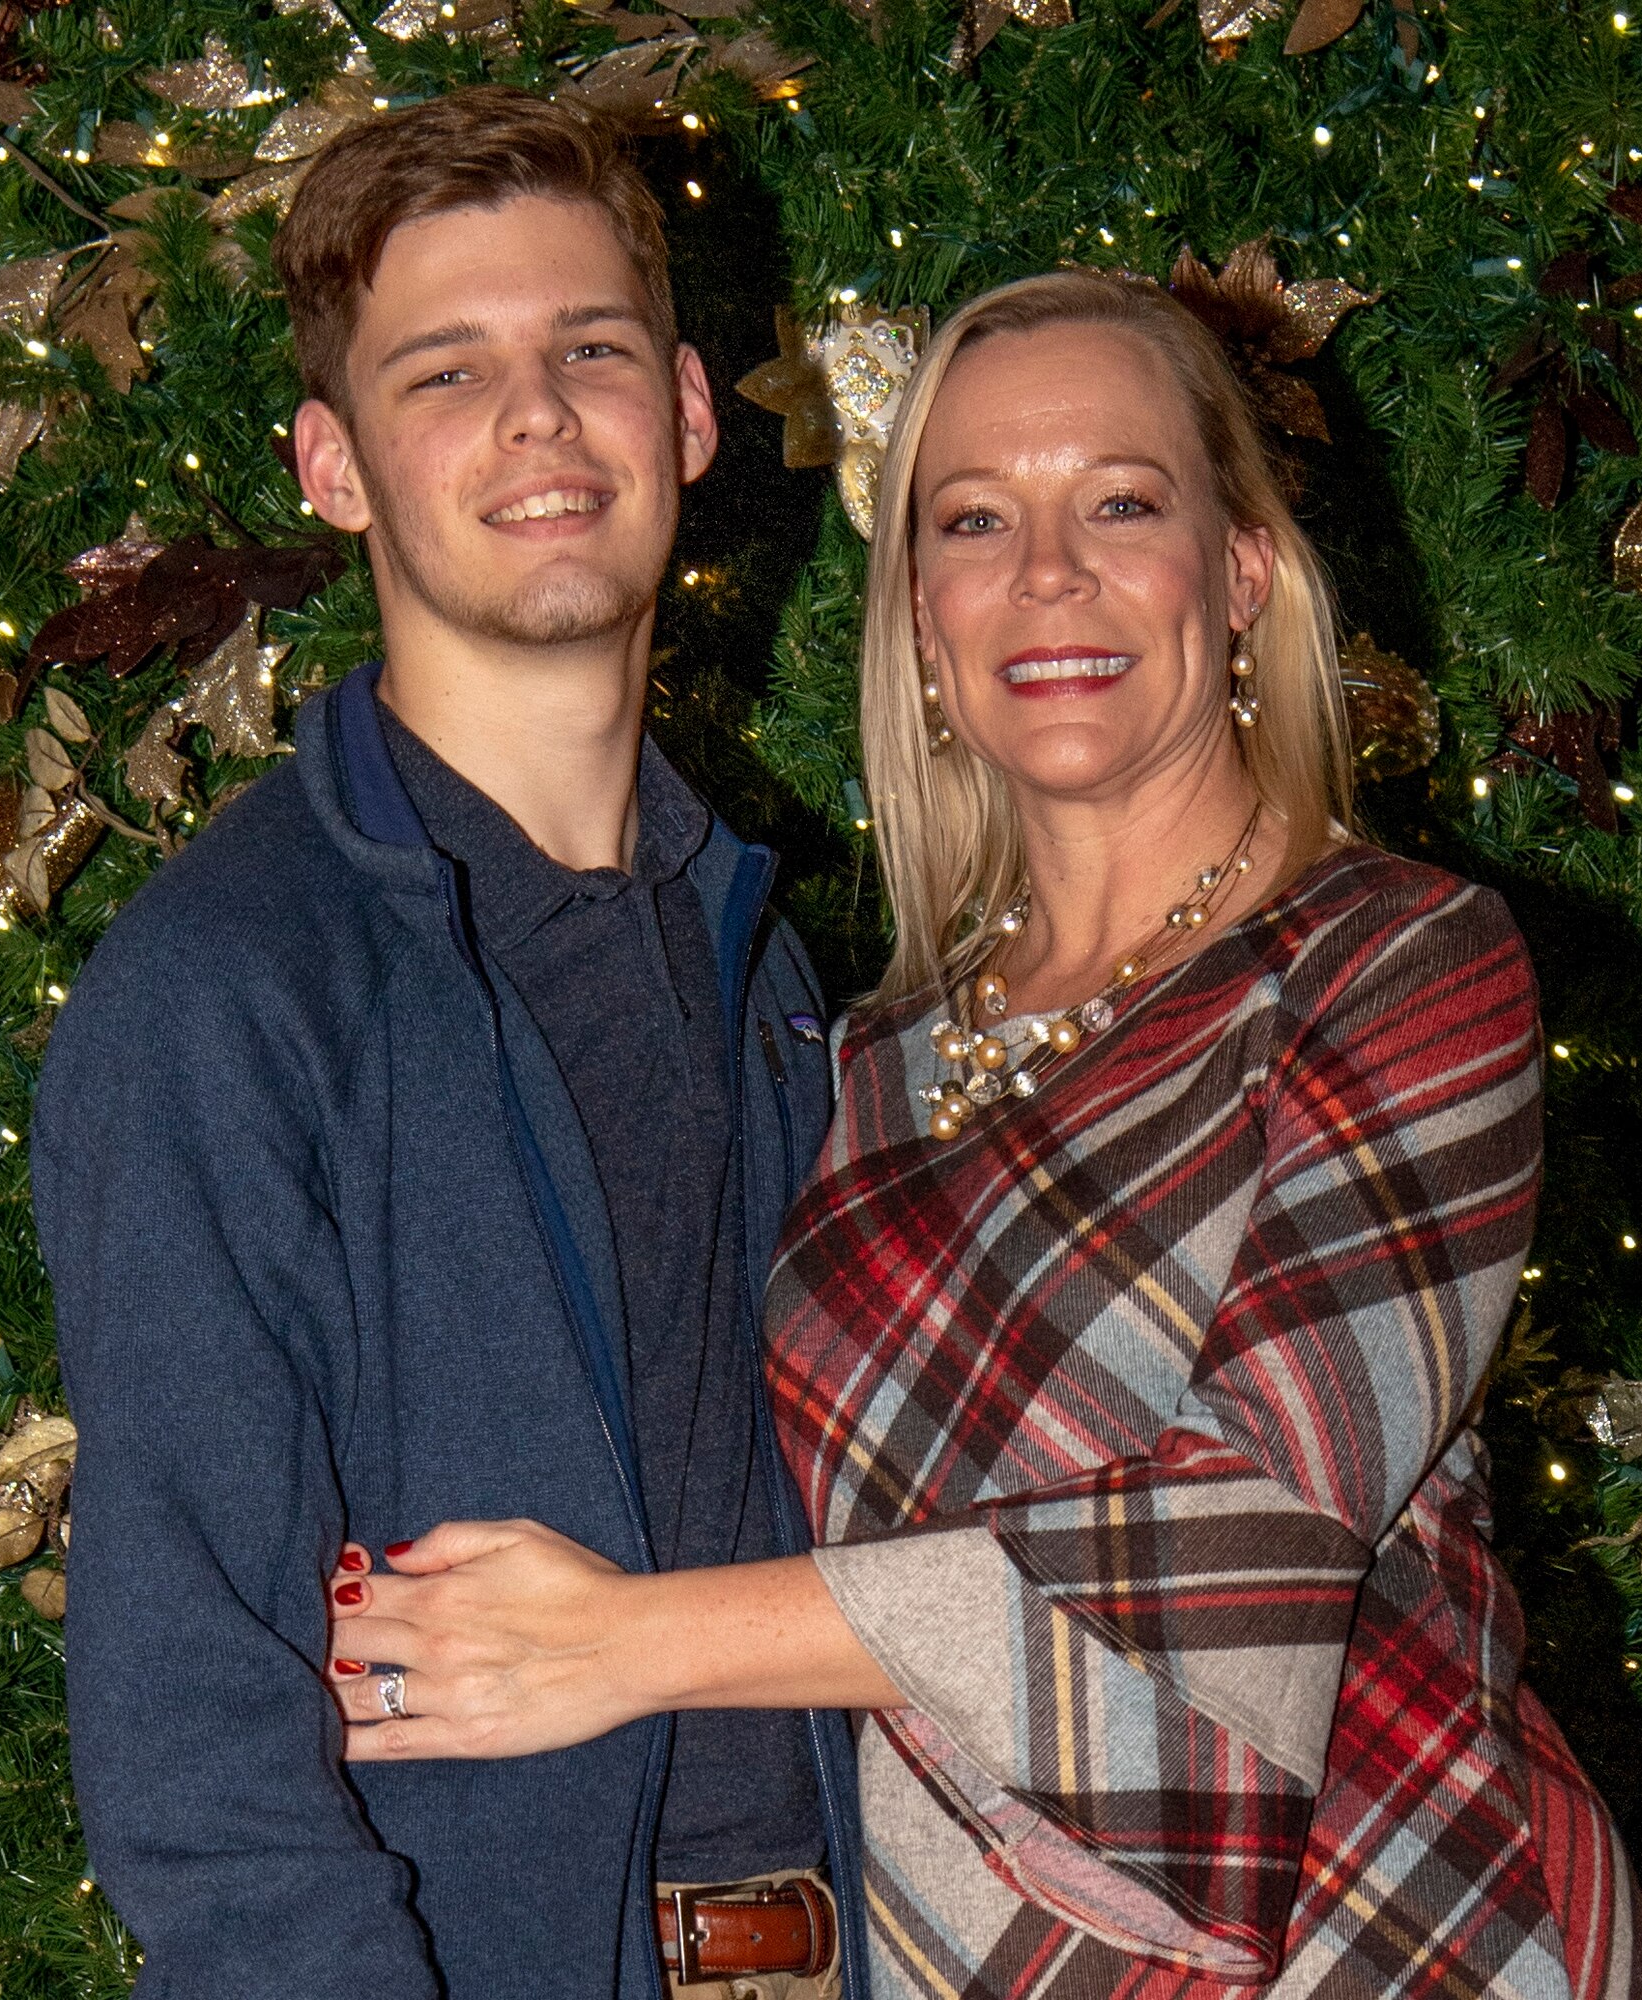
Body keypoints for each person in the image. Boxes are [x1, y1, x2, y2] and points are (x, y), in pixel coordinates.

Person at [320, 268, 1639, 1998]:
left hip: (1395, 1920)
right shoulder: (852, 1055)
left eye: (1119, 501)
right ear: (922, 620)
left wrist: (626, 1646)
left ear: (1238, 573)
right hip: (955, 1956)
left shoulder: (1393, 963)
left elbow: (1253, 1522)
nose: (1047, 576)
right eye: (972, 521)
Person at [31, 86, 866, 2000]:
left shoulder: (762, 960)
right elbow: (192, 1702)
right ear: (334, 470)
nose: (536, 419)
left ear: (687, 413)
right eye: (444, 372)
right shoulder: (227, 989)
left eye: (588, 351)